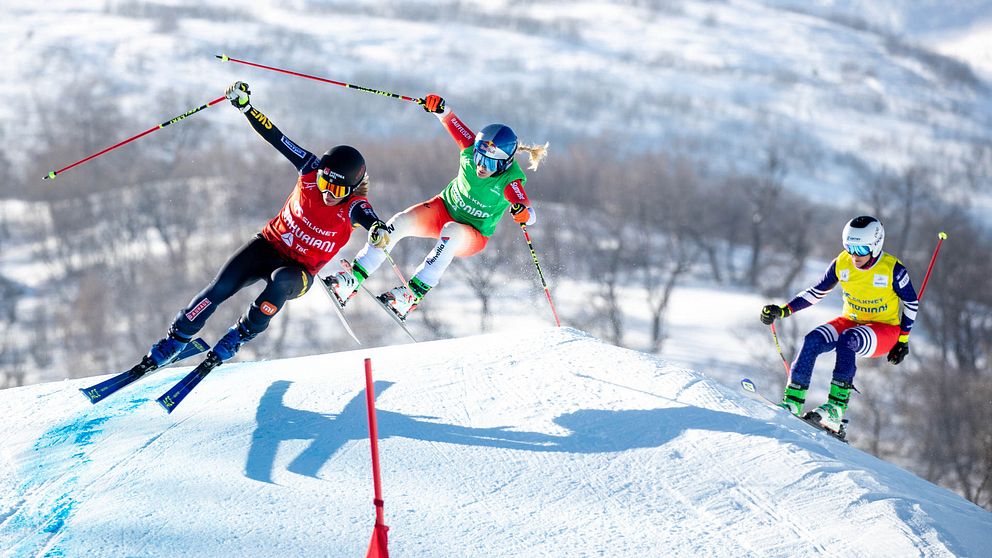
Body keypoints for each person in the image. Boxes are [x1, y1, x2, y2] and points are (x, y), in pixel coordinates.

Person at [134, 81, 387, 371]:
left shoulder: (354, 207)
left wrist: (378, 230)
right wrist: (246, 108)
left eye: (338, 190)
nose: (329, 193)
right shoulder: (309, 169)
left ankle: (237, 337)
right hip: (267, 246)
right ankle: (173, 341)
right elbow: (276, 137)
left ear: (352, 190)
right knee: (218, 289)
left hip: (297, 273)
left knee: (280, 282)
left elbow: (372, 220)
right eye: (325, 183)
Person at [324, 93, 548, 321]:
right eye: (479, 157)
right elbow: (449, 118)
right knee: (399, 222)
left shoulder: (509, 181)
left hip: (472, 233)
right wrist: (437, 106)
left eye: (489, 163)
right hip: (443, 208)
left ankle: (411, 296)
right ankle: (352, 278)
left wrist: (523, 214)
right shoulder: (470, 150)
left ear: (505, 164)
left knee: (451, 231)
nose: (481, 166)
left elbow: (529, 213)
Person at [759, 216, 919, 434]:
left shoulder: (893, 269)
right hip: (851, 320)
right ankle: (793, 401)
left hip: (884, 330)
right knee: (813, 340)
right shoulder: (842, 262)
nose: (854, 255)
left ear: (875, 245)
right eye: (850, 247)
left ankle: (836, 409)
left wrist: (903, 340)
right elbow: (817, 292)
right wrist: (784, 310)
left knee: (847, 340)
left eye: (861, 249)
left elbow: (911, 302)